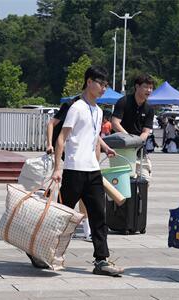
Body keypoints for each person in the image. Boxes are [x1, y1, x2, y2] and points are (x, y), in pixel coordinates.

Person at [52, 65, 124, 277]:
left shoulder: (99, 110)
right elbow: (62, 138)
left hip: (93, 171)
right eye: (101, 84)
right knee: (63, 215)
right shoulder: (76, 108)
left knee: (98, 216)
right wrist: (58, 168)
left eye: (106, 85)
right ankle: (44, 250)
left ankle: (101, 260)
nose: (104, 88)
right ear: (89, 82)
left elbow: (91, 134)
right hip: (74, 170)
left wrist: (105, 146)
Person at [44, 95, 92, 243]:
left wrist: (105, 147)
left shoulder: (92, 108)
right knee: (67, 192)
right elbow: (51, 123)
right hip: (63, 150)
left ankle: (87, 229)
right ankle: (54, 228)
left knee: (82, 192)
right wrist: (49, 144)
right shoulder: (72, 106)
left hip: (79, 153)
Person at [111, 74, 155, 178]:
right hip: (121, 149)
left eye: (151, 88)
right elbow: (115, 123)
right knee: (123, 181)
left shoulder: (149, 108)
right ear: (137, 86)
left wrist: (137, 142)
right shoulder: (124, 101)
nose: (149, 90)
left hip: (139, 150)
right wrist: (129, 140)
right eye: (146, 87)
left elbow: (146, 131)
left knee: (145, 179)